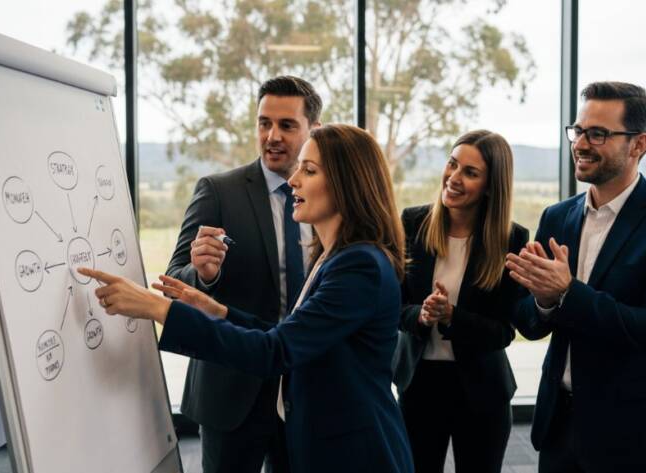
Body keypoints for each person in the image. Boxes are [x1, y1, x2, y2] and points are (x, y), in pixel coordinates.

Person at [80, 124, 415, 473]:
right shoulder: (335, 257)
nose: (295, 179)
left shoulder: (358, 266)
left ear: (349, 184)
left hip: (355, 453)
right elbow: (288, 334)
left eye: (309, 170)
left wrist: (157, 308)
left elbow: (276, 352)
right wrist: (216, 310)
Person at [506, 81, 646, 473]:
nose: (580, 143)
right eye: (578, 131)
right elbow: (528, 322)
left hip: (634, 436)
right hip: (560, 428)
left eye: (598, 134)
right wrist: (545, 302)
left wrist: (567, 292)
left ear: (639, 144)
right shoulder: (556, 217)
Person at [164, 76, 320, 473]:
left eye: (286, 125)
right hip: (230, 390)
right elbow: (173, 283)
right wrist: (204, 274)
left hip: (307, 388)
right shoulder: (218, 191)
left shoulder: (327, 196)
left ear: (313, 130)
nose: (272, 135)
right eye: (263, 123)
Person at [393, 130, 528, 473]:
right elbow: (395, 307)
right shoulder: (413, 222)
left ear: (490, 186)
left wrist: (453, 316)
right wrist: (421, 315)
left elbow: (503, 332)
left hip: (482, 390)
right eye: (452, 164)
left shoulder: (512, 238)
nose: (453, 178)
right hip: (419, 383)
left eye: (470, 172)